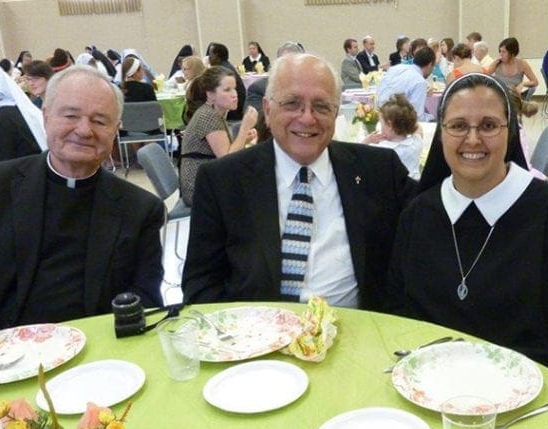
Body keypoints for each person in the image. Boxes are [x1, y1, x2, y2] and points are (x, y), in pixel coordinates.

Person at [385, 73, 548, 394]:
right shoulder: (419, 215)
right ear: (441, 134)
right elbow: (397, 313)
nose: (473, 139)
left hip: (540, 401)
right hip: (431, 394)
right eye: (458, 126)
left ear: (510, 132)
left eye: (488, 126)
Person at [0, 65, 165, 349]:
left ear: (115, 130)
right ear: (46, 117)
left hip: (97, 357)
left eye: (100, 121)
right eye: (70, 115)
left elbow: (143, 300)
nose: (84, 130)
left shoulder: (140, 208)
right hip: (1, 352)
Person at [182, 54, 416, 310]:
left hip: (357, 334)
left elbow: (431, 227)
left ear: (336, 113)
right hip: (260, 338)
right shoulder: (223, 181)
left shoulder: (379, 171)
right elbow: (201, 286)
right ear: (268, 111)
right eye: (292, 104)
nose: (307, 118)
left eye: (321, 106)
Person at [180, 66, 258, 206]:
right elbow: (227, 160)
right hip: (199, 189)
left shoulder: (213, 113)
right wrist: (244, 128)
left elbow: (224, 151)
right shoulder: (208, 117)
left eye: (234, 88)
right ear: (210, 94)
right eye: (227, 90)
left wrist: (243, 137)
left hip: (208, 181)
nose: (235, 94)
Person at [362, 93, 423, 179]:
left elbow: (357, 154)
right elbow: (418, 128)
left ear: (390, 125)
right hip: (414, 188)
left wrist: (367, 140)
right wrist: (408, 121)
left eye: (382, 123)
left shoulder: (381, 149)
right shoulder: (416, 142)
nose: (381, 127)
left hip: (391, 190)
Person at [376, 46, 436, 122]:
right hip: (397, 123)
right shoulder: (420, 82)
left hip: (379, 115)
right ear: (430, 64)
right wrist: (432, 117)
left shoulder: (395, 68)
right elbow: (417, 117)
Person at [244, 41, 304, 112]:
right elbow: (256, 119)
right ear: (277, 64)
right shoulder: (259, 89)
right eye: (285, 63)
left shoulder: (310, 87)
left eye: (295, 63)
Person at [207, 43, 246, 121]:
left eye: (210, 55)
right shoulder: (226, 66)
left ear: (216, 56)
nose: (209, 58)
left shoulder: (223, 71)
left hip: (233, 112)